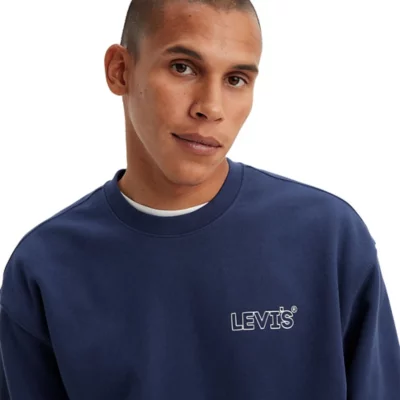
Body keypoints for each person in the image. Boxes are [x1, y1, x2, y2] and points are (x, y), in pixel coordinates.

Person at [0, 0, 399, 398]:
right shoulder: (44, 267)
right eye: (183, 68)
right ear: (120, 70)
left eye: (236, 79)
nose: (210, 107)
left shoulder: (329, 238)